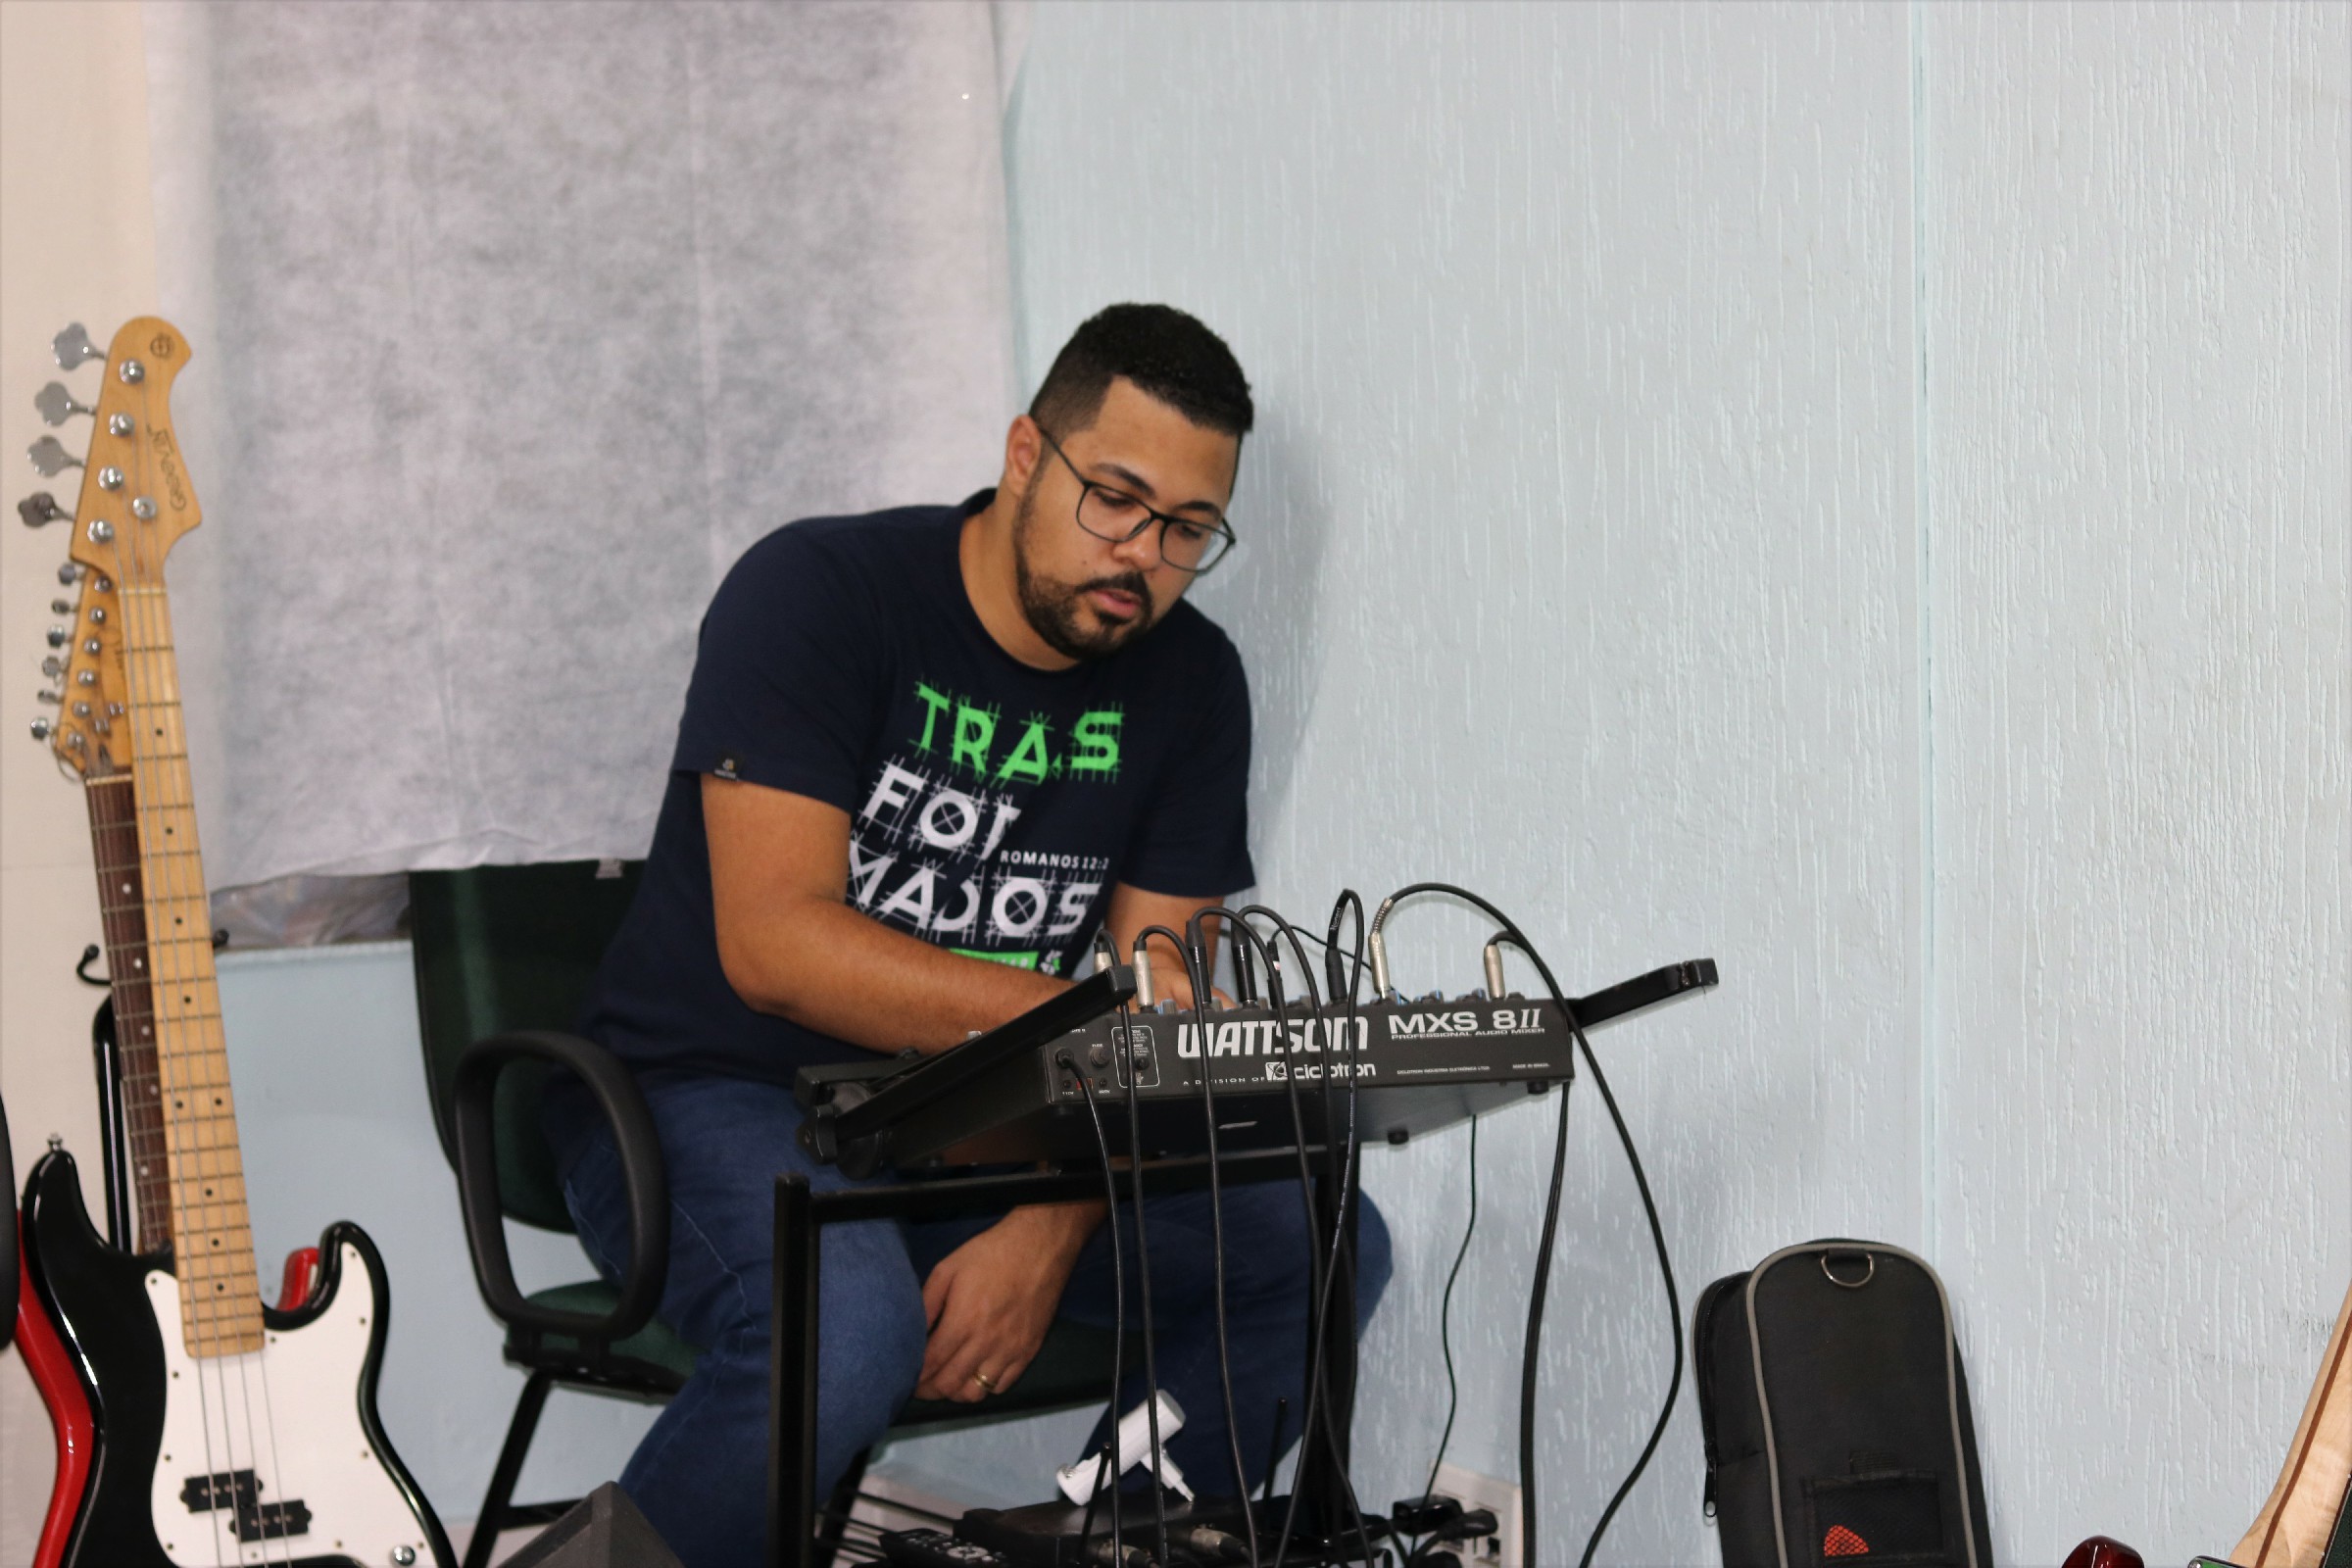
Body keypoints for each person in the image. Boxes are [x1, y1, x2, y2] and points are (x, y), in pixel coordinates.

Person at [546, 304, 1392, 1568]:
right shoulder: (821, 593)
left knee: (1316, 1238)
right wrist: (1088, 1027)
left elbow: (1159, 1018)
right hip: (706, 1094)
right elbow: (776, 950)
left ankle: (1106, 1546)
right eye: (1115, 498)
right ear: (1024, 455)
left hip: (978, 1126)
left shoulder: (1192, 683)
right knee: (845, 1331)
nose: (1142, 556)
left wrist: (1054, 1222)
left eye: (1187, 528)